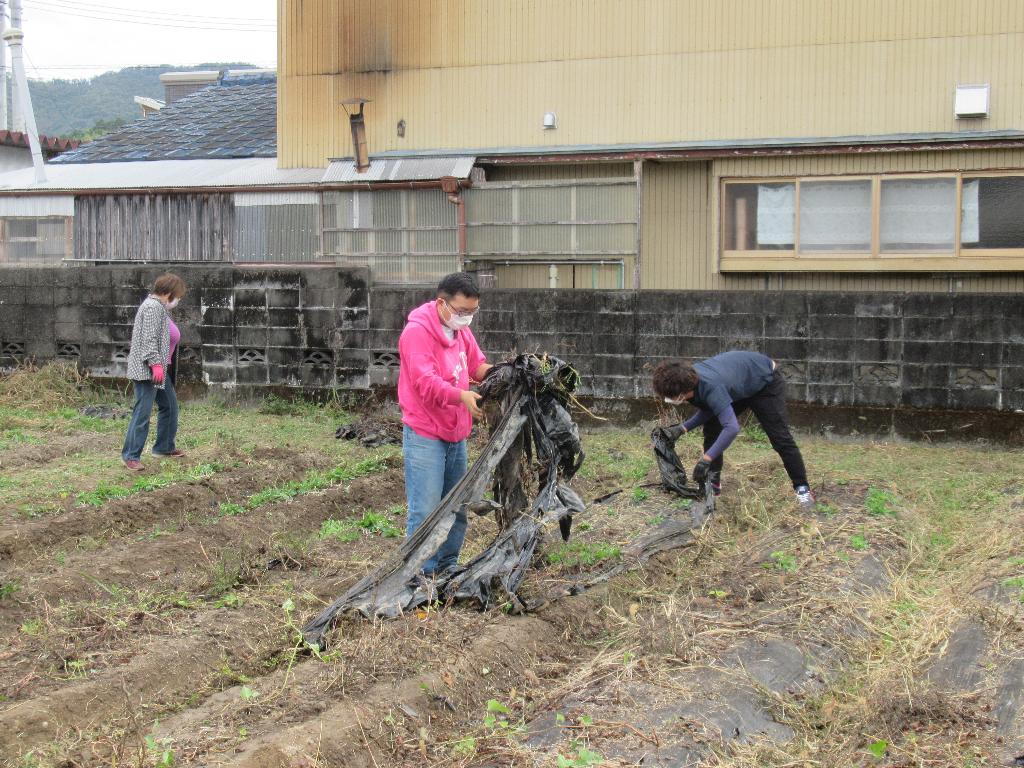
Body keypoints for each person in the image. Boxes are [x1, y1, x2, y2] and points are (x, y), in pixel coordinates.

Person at [398, 272, 492, 575]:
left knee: (457, 506)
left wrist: (510, 372)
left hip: (456, 434)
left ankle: (447, 568)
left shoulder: (460, 331)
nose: (467, 318)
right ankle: (419, 575)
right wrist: (461, 396)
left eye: (472, 312)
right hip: (425, 434)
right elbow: (425, 383)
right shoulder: (417, 333)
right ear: (442, 303)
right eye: (462, 311)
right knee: (426, 511)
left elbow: (477, 366)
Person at [652, 350, 815, 507]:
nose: (671, 399)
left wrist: (706, 459)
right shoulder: (687, 379)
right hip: (739, 382)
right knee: (712, 428)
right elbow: (710, 408)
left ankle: (802, 488)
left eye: (673, 396)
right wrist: (682, 429)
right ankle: (712, 485)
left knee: (780, 438)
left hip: (764, 380)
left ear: (686, 391)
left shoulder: (709, 386)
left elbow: (731, 428)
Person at [121, 273, 186, 471]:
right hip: (147, 370)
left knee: (170, 407)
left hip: (159, 369)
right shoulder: (152, 307)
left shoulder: (161, 308)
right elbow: (149, 339)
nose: (177, 300)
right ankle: (130, 455)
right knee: (142, 412)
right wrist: (155, 364)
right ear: (168, 293)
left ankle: (164, 447)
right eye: (177, 296)